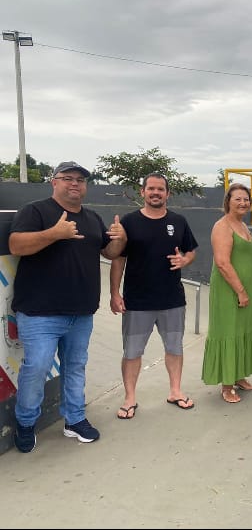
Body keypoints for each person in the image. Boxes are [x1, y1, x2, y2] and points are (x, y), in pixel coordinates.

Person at [10, 161, 127, 453]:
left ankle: (74, 420)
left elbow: (109, 252)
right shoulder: (35, 211)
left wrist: (120, 240)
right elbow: (16, 245)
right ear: (54, 182)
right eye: (68, 178)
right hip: (40, 313)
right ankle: (25, 423)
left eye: (81, 180)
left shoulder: (91, 218)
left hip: (81, 312)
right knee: (36, 368)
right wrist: (54, 233)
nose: (75, 184)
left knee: (75, 368)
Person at [109, 173, 199, 419]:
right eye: (151, 189)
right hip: (137, 302)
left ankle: (175, 391)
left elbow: (191, 251)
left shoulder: (178, 221)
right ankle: (130, 398)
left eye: (160, 189)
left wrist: (184, 260)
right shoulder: (129, 222)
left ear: (168, 194)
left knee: (174, 348)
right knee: (132, 352)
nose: (156, 193)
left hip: (172, 300)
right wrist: (114, 293)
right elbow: (118, 259)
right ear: (143, 192)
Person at [202, 183, 252, 403]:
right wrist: (240, 290)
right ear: (228, 201)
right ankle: (227, 385)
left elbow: (245, 260)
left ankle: (238, 375)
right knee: (229, 331)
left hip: (244, 289)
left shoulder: (243, 226)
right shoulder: (223, 226)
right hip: (228, 291)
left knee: (242, 331)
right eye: (237, 198)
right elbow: (222, 263)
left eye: (246, 199)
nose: (243, 203)